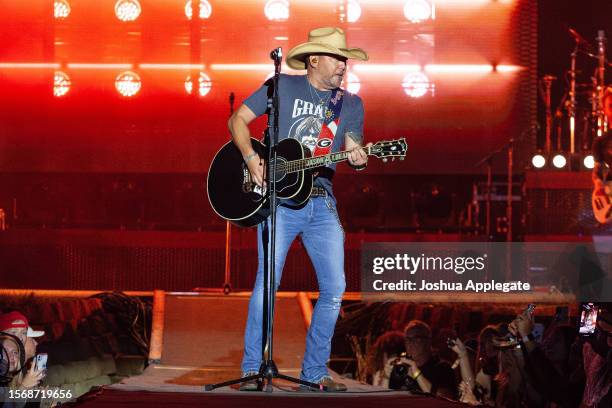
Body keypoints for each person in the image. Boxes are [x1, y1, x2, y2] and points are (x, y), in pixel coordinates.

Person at [228, 27, 370, 392]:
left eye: (346, 58)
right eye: (337, 57)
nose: (344, 64)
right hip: (279, 202)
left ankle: (313, 373)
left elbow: (353, 147)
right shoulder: (282, 87)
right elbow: (238, 120)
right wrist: (250, 157)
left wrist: (358, 156)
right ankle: (250, 369)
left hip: (321, 202)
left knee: (336, 287)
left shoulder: (351, 103)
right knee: (267, 285)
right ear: (314, 59)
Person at [392, 320, 457, 399]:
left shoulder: (442, 368)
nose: (409, 343)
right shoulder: (402, 368)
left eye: (414, 338)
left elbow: (445, 399)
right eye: (407, 339)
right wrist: (386, 374)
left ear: (427, 341)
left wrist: (417, 375)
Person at [591, 87, 612, 198]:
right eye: (611, 106)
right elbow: (597, 170)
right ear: (604, 110)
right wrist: (598, 183)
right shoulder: (599, 142)